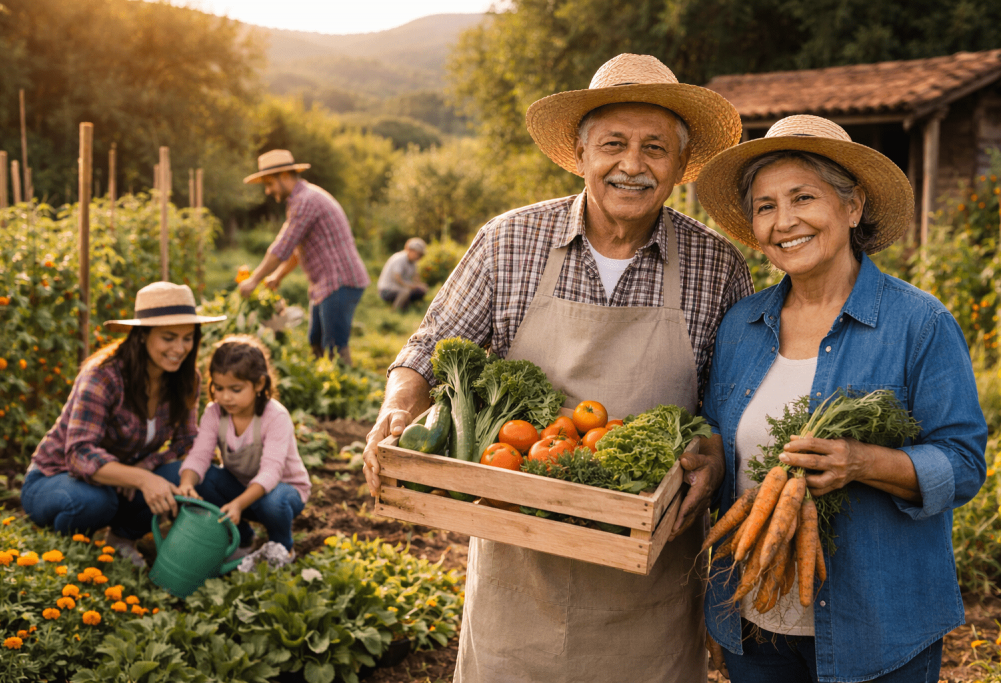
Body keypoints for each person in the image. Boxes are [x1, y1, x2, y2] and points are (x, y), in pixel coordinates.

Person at [363, 53, 753, 681]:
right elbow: (430, 345)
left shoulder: (718, 266)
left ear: (681, 166)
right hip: (519, 568)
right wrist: (400, 403)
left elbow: (730, 404)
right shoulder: (508, 241)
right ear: (579, 153)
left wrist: (711, 452)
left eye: (655, 147)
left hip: (648, 574)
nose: (632, 164)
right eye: (613, 144)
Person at [695, 115, 988, 682]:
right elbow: (717, 430)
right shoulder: (741, 325)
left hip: (878, 630)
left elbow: (965, 464)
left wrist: (863, 463)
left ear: (852, 209)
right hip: (752, 624)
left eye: (803, 197)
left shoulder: (919, 324)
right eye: (765, 206)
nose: (785, 222)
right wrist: (704, 451)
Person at [20, 282, 226, 566]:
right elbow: (79, 454)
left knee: (182, 474)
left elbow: (188, 442)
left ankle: (121, 539)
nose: (180, 348)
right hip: (57, 478)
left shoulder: (185, 378)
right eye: (169, 338)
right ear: (142, 335)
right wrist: (142, 478)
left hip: (116, 484)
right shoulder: (104, 376)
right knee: (95, 502)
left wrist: (148, 467)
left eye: (187, 338)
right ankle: (68, 545)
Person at [176, 335, 310, 557]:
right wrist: (186, 483)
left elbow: (271, 472)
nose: (225, 397)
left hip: (284, 491)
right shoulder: (214, 412)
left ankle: (281, 547)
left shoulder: (274, 416)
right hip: (240, 488)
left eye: (235, 389)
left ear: (259, 384)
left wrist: (238, 504)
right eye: (218, 388)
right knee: (204, 479)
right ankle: (242, 537)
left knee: (273, 502)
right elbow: (199, 455)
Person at [238, 149, 370, 366]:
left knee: (333, 347)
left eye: (269, 184)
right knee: (315, 341)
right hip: (328, 283)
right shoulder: (302, 199)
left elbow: (283, 245)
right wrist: (278, 275)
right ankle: (326, 385)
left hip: (339, 281)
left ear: (285, 176)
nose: (268, 191)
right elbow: (298, 249)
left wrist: (254, 279)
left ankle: (344, 389)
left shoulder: (306, 200)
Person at [377, 237, 429, 311]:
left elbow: (415, 277)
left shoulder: (413, 262)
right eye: (419, 254)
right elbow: (397, 278)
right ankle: (395, 310)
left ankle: (409, 306)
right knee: (405, 291)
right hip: (387, 289)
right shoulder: (399, 258)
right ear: (411, 250)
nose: (419, 257)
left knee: (421, 290)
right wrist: (410, 286)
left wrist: (420, 285)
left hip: (399, 287)